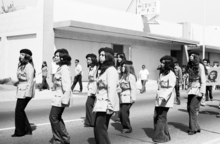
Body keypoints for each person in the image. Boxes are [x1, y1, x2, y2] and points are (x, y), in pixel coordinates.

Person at [93, 47, 119, 144]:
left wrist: (110, 106)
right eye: (99, 55)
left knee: (100, 129)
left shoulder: (111, 70)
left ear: (109, 56)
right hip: (100, 103)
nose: (100, 57)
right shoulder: (103, 70)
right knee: (98, 128)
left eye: (103, 55)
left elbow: (111, 89)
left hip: (106, 104)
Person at [49, 48, 73, 144]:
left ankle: (59, 139)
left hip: (61, 98)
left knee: (53, 117)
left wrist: (65, 101)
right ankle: (64, 139)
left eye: (57, 56)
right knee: (56, 118)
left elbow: (67, 86)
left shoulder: (64, 69)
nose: (55, 57)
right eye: (55, 56)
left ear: (63, 57)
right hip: (57, 97)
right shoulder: (60, 68)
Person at [12, 49, 36, 137]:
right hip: (21, 89)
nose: (20, 56)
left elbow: (30, 81)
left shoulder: (29, 66)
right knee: (20, 110)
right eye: (20, 54)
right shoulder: (21, 65)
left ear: (27, 56)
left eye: (23, 54)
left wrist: (27, 94)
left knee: (18, 110)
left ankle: (20, 131)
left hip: (26, 91)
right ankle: (27, 129)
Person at [153, 55, 176, 143]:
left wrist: (164, 96)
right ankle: (165, 136)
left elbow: (171, 87)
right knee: (157, 116)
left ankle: (159, 138)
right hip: (159, 98)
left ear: (168, 63)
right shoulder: (162, 73)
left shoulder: (171, 74)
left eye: (163, 63)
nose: (161, 64)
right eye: (161, 62)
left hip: (165, 99)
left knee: (161, 117)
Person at [186, 51, 207, 135]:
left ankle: (193, 129)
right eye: (190, 55)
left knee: (192, 107)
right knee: (189, 108)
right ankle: (196, 127)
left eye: (192, 55)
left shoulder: (200, 66)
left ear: (196, 57)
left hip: (198, 90)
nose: (190, 56)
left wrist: (202, 92)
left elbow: (203, 80)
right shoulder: (190, 66)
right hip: (191, 89)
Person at [118, 60, 137, 133]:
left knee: (123, 113)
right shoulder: (123, 76)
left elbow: (133, 88)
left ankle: (127, 128)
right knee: (121, 113)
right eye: (121, 66)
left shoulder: (131, 76)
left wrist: (133, 98)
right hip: (122, 97)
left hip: (128, 97)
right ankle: (125, 126)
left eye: (123, 66)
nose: (122, 67)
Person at [84, 53, 98, 127]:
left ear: (93, 60)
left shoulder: (96, 68)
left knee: (89, 104)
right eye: (87, 59)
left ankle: (91, 122)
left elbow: (96, 79)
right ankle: (90, 121)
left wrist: (95, 90)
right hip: (90, 87)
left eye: (89, 59)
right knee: (90, 105)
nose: (87, 60)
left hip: (94, 87)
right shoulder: (90, 68)